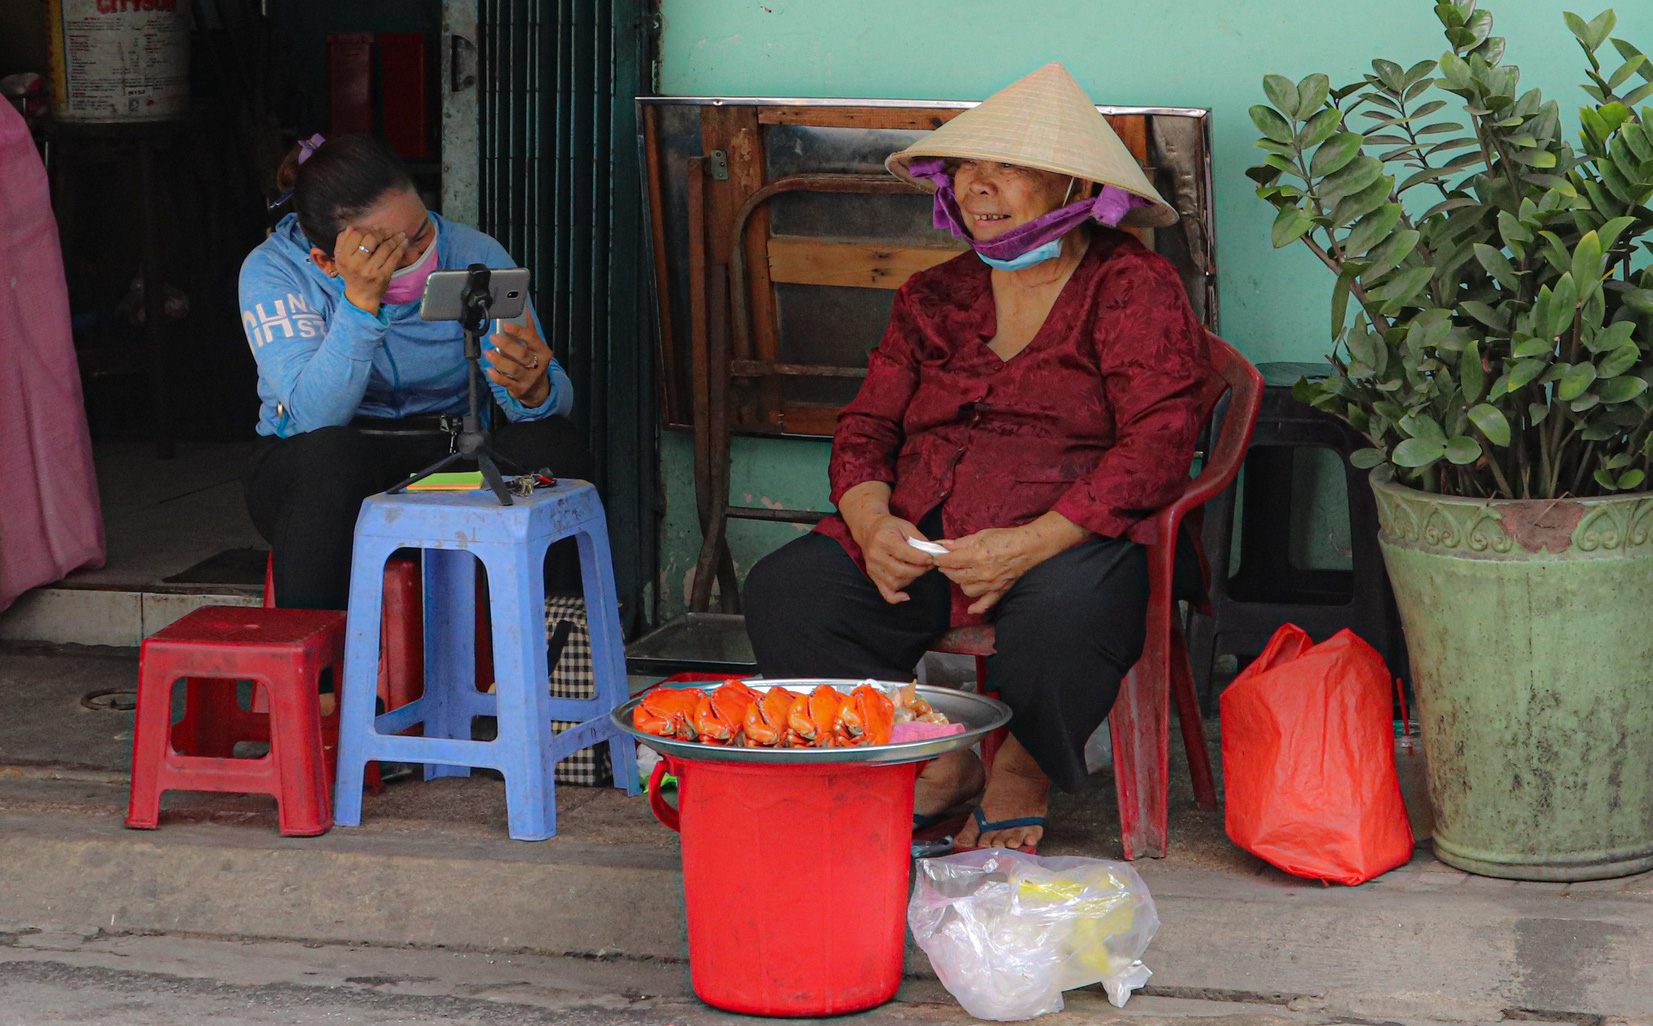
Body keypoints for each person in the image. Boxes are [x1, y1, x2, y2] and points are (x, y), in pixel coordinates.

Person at [742, 64, 1212, 853]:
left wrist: (1026, 545)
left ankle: (1020, 770)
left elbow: (1159, 442)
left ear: (1073, 186)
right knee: (790, 594)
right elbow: (866, 426)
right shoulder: (934, 294)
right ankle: (939, 762)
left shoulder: (1132, 286)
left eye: (1009, 168)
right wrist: (871, 523)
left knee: (1066, 618)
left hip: (1068, 535)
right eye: (965, 165)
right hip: (929, 534)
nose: (977, 187)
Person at [240, 134, 586, 610]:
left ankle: (543, 658)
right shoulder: (276, 271)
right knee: (331, 458)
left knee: (553, 446)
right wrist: (360, 305)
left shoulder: (472, 253)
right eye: (382, 252)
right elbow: (315, 416)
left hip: (444, 460)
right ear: (327, 260)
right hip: (318, 472)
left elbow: (541, 398)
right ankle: (322, 680)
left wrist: (534, 391)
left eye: (421, 236)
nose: (415, 258)